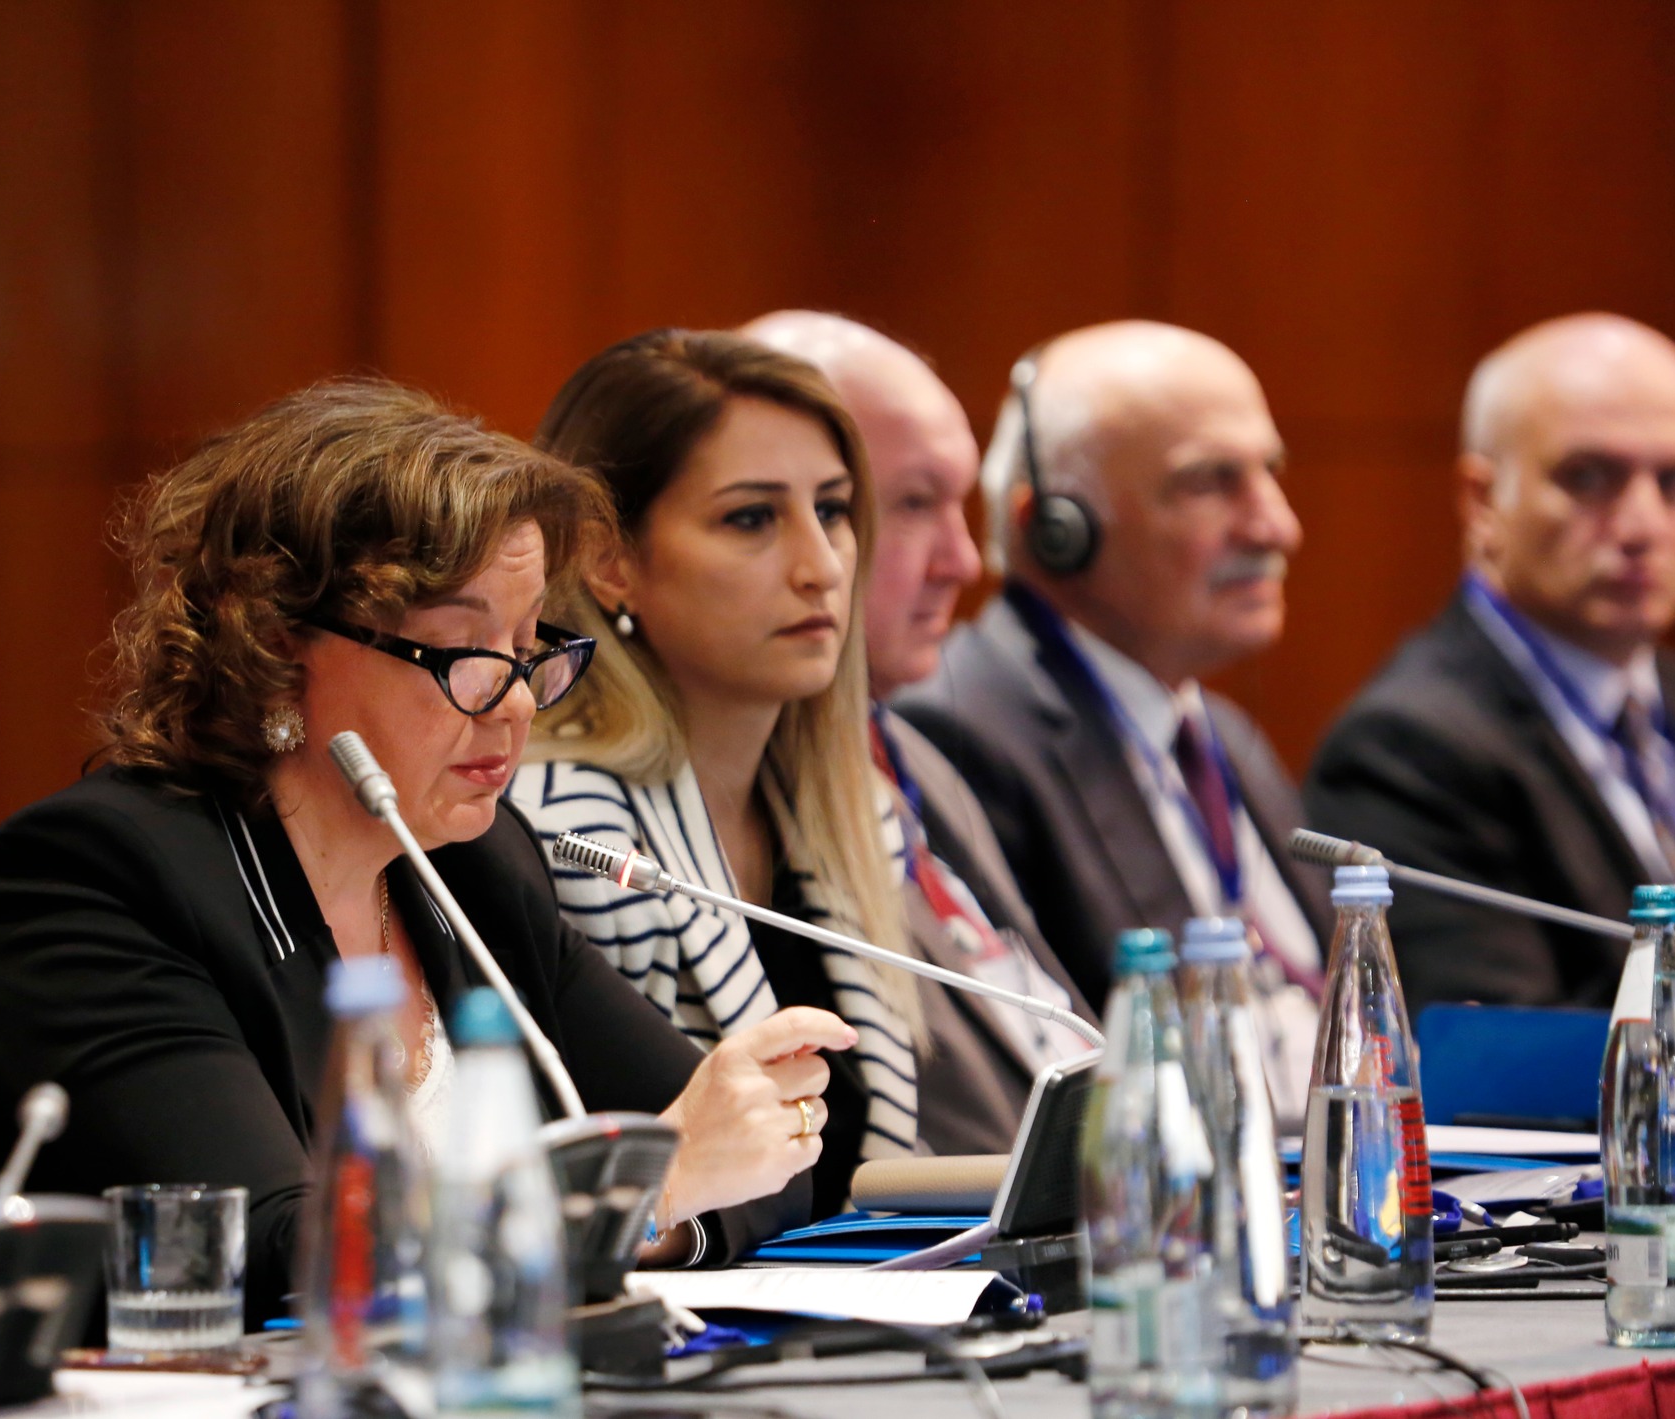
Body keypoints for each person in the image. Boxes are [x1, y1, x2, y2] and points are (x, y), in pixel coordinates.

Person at [0, 380, 854, 1327]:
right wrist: (649, 1192)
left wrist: (676, 1183)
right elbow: (282, 1256)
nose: (517, 701)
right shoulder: (96, 881)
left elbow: (760, 1174)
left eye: (528, 648)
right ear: (276, 648)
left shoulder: (472, 866)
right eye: (465, 653)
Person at [1308, 313, 1675, 1015]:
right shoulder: (1406, 749)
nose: (1643, 526)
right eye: (1588, 477)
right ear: (1482, 500)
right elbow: (1511, 1045)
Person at [509, 329, 921, 1217]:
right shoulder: (565, 829)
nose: (820, 567)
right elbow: (616, 1192)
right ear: (609, 561)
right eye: (751, 518)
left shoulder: (856, 817)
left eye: (833, 510)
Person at [893, 320, 1329, 1122]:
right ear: (1057, 529)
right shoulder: (959, 727)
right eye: (1209, 483)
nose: (1276, 526)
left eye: (1268, 473)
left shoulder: (1223, 733)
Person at [742, 310, 1094, 1154]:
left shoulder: (918, 758)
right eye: (911, 503)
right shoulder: (740, 784)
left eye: (959, 503)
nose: (964, 561)